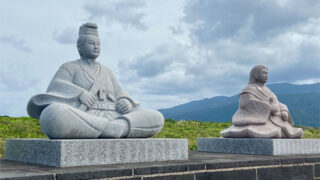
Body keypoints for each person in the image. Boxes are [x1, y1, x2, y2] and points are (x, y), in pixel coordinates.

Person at [27, 23, 164, 139]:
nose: (96, 47)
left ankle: (119, 127)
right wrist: (80, 93)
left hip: (115, 117)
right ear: (80, 46)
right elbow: (56, 86)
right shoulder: (70, 67)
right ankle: (108, 129)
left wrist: (126, 102)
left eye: (98, 44)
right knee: (53, 115)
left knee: (157, 118)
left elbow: (120, 91)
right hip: (86, 117)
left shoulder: (106, 71)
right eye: (92, 43)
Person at [220, 65, 303, 138]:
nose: (266, 76)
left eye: (267, 73)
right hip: (257, 119)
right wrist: (270, 108)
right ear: (256, 75)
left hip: (275, 119)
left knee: (294, 131)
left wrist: (283, 109)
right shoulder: (248, 90)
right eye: (264, 73)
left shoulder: (268, 90)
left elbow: (277, 102)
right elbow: (246, 103)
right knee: (274, 132)